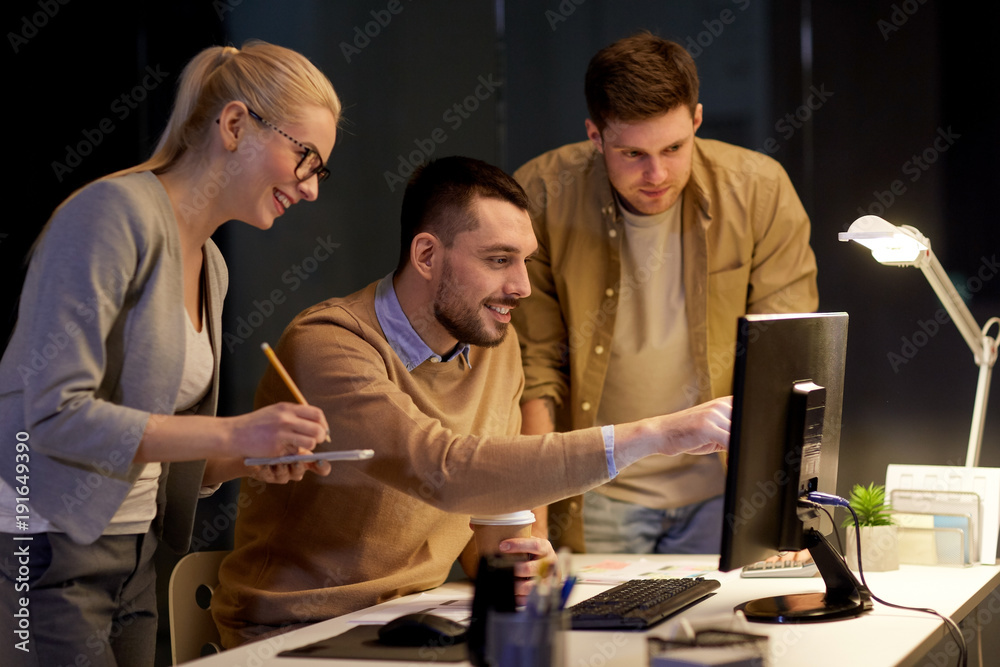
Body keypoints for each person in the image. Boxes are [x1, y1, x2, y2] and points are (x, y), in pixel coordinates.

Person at [212, 155, 731, 647]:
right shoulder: (328, 344)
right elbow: (441, 469)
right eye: (499, 260)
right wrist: (656, 435)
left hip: (419, 621)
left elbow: (488, 513)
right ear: (427, 255)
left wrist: (517, 559)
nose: (523, 286)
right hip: (298, 630)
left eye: (525, 261)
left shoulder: (493, 346)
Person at [0, 41, 341, 667]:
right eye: (307, 157)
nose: (313, 188)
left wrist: (241, 458)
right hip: (46, 547)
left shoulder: (211, 263)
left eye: (321, 169)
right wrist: (227, 431)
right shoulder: (110, 214)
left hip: (136, 551)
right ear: (235, 124)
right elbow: (53, 418)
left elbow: (157, 449)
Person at [511, 32, 819, 555]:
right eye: (632, 153)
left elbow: (782, 360)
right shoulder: (540, 194)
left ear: (697, 120)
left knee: (728, 631)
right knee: (598, 635)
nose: (656, 174)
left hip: (724, 490)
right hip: (597, 491)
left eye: (674, 148)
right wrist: (531, 523)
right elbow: (533, 371)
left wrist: (779, 507)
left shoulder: (759, 191)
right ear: (594, 134)